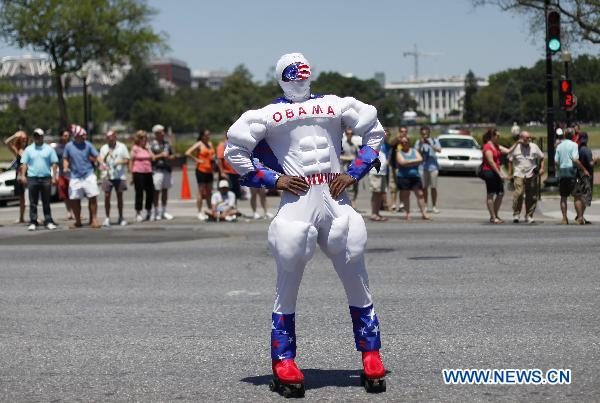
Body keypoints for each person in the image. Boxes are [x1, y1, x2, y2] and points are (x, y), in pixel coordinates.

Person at [225, 53, 387, 396]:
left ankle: (371, 354)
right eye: (293, 73)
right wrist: (274, 179)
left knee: (356, 272)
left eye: (303, 72)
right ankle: (283, 360)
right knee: (289, 276)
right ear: (282, 77)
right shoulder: (266, 114)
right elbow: (234, 152)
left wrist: (354, 171)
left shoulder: (334, 104)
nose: (300, 76)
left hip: (333, 194)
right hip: (299, 198)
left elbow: (374, 131)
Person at [19, 128, 59, 231]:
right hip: (32, 178)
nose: (37, 137)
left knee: (46, 201)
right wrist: (23, 175)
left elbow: (54, 163)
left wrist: (54, 177)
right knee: (33, 202)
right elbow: (24, 163)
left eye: (39, 135)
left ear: (42, 136)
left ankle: (48, 220)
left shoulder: (49, 149)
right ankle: (33, 221)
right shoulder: (29, 149)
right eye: (35, 135)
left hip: (46, 178)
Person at [63, 124, 101, 229]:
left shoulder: (88, 145)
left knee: (93, 197)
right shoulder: (69, 146)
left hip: (88, 174)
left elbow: (97, 156)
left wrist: (102, 163)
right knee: (74, 199)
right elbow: (65, 158)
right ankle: (78, 221)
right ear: (76, 135)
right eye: (82, 135)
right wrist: (65, 167)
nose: (84, 136)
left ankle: (93, 219)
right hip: (75, 176)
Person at [480, 129, 518, 224]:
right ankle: (493, 217)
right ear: (492, 136)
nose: (499, 138)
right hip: (489, 172)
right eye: (497, 136)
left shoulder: (496, 146)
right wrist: (500, 173)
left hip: (496, 172)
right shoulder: (487, 147)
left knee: (500, 193)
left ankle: (495, 215)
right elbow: (491, 162)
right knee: (491, 194)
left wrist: (517, 142)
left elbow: (509, 151)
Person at [507, 131, 545, 223]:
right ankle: (516, 214)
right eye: (526, 138)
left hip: (531, 173)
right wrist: (510, 173)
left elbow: (542, 157)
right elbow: (509, 159)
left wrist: (542, 168)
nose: (529, 139)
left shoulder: (534, 147)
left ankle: (529, 215)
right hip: (519, 173)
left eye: (529, 138)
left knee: (531, 196)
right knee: (519, 193)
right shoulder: (515, 147)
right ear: (521, 138)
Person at [555, 128, 589, 225]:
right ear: (573, 135)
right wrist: (584, 169)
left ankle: (564, 218)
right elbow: (575, 159)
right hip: (572, 173)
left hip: (562, 173)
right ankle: (580, 218)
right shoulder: (574, 145)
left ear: (564, 135)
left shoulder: (559, 146)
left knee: (563, 197)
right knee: (577, 196)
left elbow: (556, 161)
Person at [98, 130, 130, 227]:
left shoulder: (122, 146)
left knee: (119, 196)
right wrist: (107, 156)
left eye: (112, 137)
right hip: (107, 175)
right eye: (108, 138)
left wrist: (119, 162)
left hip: (119, 175)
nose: (110, 139)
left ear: (115, 137)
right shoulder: (104, 148)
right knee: (107, 196)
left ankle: (121, 217)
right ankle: (107, 218)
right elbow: (101, 160)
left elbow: (127, 160)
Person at [396, 136, 430, 220]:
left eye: (406, 142)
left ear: (409, 142)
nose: (404, 143)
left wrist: (408, 162)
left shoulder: (414, 150)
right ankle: (408, 214)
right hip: (403, 177)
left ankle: (424, 213)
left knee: (420, 194)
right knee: (406, 195)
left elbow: (420, 159)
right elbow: (402, 162)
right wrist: (414, 162)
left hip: (415, 177)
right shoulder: (399, 152)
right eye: (402, 142)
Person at [185, 129, 215, 221]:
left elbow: (212, 155)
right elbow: (187, 152)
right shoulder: (199, 144)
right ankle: (199, 212)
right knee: (201, 191)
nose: (208, 136)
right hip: (201, 170)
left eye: (209, 135)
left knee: (209, 191)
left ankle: (210, 210)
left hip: (209, 170)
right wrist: (196, 160)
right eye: (206, 135)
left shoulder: (210, 144)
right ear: (202, 136)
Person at [150, 124, 175, 220]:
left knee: (165, 190)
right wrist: (161, 155)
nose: (163, 133)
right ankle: (155, 211)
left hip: (166, 169)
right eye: (161, 132)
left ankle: (164, 211)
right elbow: (151, 157)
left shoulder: (167, 143)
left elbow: (172, 155)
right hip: (157, 170)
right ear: (156, 133)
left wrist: (170, 157)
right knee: (156, 191)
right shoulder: (152, 144)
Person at [414, 126, 441, 213]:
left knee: (433, 187)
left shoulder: (434, 140)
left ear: (429, 133)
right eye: (423, 134)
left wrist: (430, 144)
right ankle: (424, 205)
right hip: (422, 167)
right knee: (424, 187)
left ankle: (434, 206)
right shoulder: (418, 142)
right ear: (421, 134)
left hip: (433, 167)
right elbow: (415, 153)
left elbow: (439, 150)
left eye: (426, 134)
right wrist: (421, 144)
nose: (424, 135)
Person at [130, 130, 154, 222]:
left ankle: (149, 211)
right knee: (139, 193)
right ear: (138, 139)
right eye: (142, 138)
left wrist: (149, 149)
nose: (144, 140)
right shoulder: (135, 148)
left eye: (145, 138)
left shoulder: (147, 148)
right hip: (138, 172)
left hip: (148, 172)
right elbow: (131, 161)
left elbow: (153, 158)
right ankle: (138, 212)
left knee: (150, 192)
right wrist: (131, 174)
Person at [4, 130, 28, 223]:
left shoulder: (29, 149)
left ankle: (34, 216)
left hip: (29, 174)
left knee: (31, 197)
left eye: (25, 138)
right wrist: (15, 135)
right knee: (21, 197)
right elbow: (7, 142)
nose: (24, 140)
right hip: (19, 175)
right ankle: (21, 217)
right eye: (22, 138)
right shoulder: (17, 149)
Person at [574, 132, 597, 224]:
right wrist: (596, 160)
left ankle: (580, 216)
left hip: (577, 175)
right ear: (587, 139)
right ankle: (580, 217)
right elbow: (590, 163)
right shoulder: (586, 150)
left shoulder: (577, 149)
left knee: (578, 196)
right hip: (586, 176)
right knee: (585, 197)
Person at [52, 129, 73, 220]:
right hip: (62, 173)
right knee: (64, 194)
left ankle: (76, 212)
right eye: (65, 135)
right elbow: (55, 163)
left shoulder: (73, 146)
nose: (66, 137)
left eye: (68, 135)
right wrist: (54, 175)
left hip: (73, 173)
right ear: (61, 136)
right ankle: (69, 211)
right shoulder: (57, 148)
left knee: (74, 193)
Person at [216, 133, 241, 202]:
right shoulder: (222, 145)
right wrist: (222, 172)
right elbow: (219, 159)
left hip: (236, 172)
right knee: (227, 191)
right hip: (227, 173)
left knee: (235, 192)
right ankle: (225, 209)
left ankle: (234, 208)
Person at [388, 126, 407, 212]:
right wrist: (397, 138)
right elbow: (391, 143)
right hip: (394, 166)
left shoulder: (407, 141)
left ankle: (402, 205)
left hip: (403, 167)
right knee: (393, 187)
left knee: (403, 187)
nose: (403, 133)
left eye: (405, 131)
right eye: (402, 131)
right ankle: (393, 204)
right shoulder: (396, 140)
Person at [369, 139, 388, 221]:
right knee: (376, 193)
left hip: (382, 173)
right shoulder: (374, 145)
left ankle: (377, 212)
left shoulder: (383, 145)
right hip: (375, 173)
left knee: (380, 194)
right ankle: (373, 213)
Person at [341, 127, 360, 207]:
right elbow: (339, 156)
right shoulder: (342, 145)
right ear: (346, 134)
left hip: (354, 169)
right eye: (348, 133)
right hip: (345, 168)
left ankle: (353, 200)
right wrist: (349, 158)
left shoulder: (354, 145)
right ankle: (350, 202)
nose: (350, 135)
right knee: (348, 187)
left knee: (355, 186)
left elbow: (358, 157)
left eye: (351, 134)